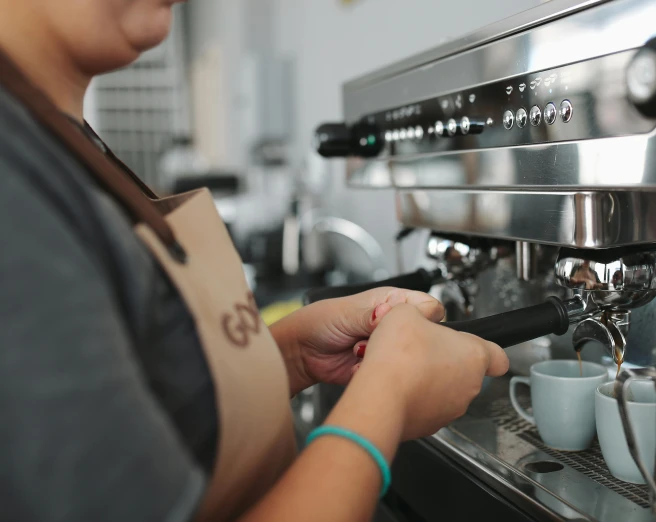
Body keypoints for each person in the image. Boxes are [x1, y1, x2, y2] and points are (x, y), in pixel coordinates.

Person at [0, 1, 509, 522]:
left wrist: (289, 354)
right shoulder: (14, 181)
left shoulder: (62, 136)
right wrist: (389, 397)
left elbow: (154, 400)